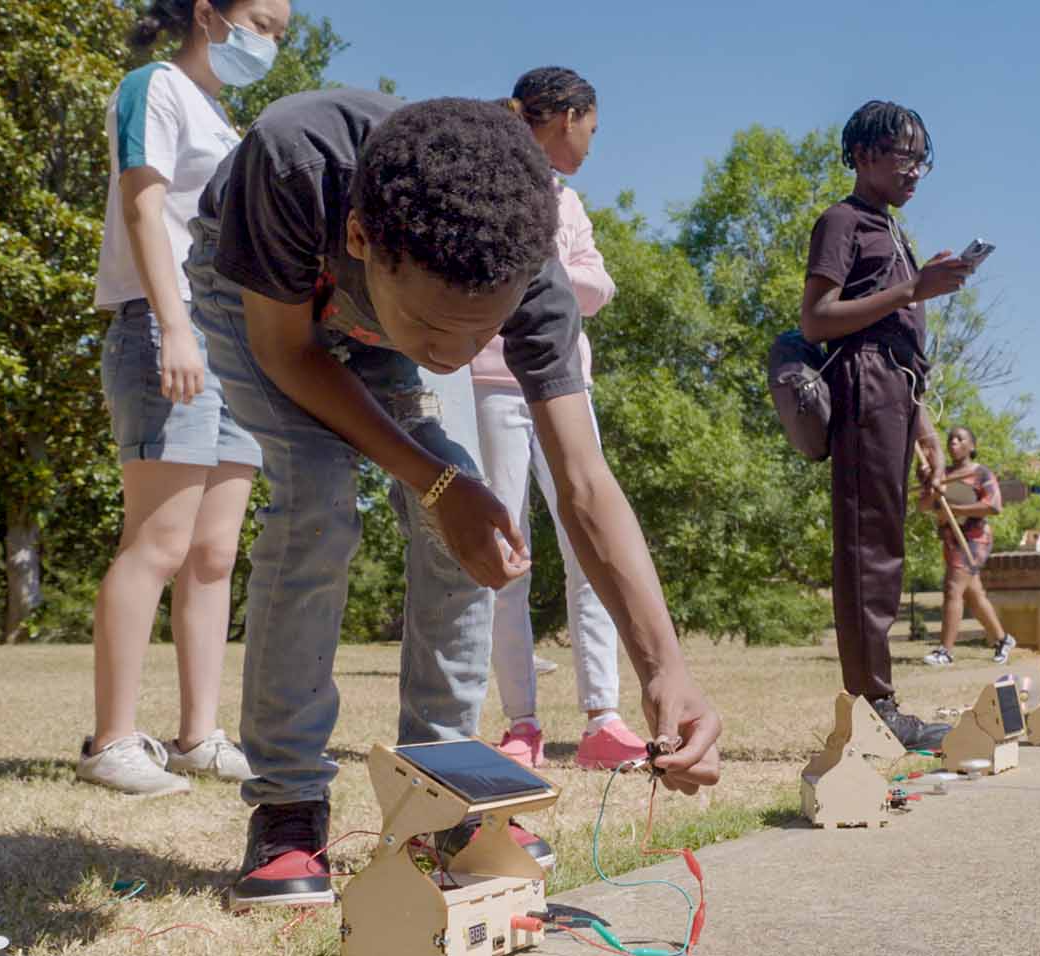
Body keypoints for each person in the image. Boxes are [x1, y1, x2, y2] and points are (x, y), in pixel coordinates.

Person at [184, 90, 721, 908]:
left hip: (374, 319)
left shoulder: (526, 264)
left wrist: (667, 669)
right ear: (362, 238)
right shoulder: (298, 157)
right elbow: (290, 353)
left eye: (482, 336)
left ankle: (440, 796)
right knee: (318, 499)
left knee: (471, 517)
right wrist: (436, 483)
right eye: (440, 333)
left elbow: (582, 479)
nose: (453, 360)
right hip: (261, 303)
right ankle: (289, 808)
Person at [78, 0, 290, 796]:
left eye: (280, 32)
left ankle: (199, 736)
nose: (268, 42)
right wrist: (174, 327)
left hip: (231, 349)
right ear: (208, 14)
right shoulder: (153, 86)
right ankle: (111, 742)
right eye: (260, 22)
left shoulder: (225, 120)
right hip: (167, 333)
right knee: (158, 544)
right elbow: (142, 201)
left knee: (212, 555)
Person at [469, 67, 644, 771]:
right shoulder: (484, 179)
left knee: (591, 550)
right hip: (489, 382)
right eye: (592, 130)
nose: (592, 146)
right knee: (505, 552)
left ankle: (604, 718)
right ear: (566, 116)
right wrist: (550, 271)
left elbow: (598, 286)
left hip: (567, 386)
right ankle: (522, 723)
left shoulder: (567, 201)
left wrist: (541, 269)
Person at [800, 100, 976, 750]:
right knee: (865, 547)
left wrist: (926, 428)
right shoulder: (842, 221)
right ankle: (873, 706)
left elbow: (901, 338)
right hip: (863, 384)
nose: (917, 171)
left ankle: (881, 702)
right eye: (907, 155)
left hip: (897, 388)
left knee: (887, 547)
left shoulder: (889, 229)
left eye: (923, 159)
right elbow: (817, 318)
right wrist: (914, 289)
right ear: (865, 153)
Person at [920, 426, 1017, 666]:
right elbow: (923, 506)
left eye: (960, 438)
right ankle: (1003, 639)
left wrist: (957, 510)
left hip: (974, 540)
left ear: (971, 446)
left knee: (953, 588)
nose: (953, 442)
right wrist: (931, 486)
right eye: (951, 438)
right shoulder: (943, 474)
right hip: (951, 539)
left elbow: (994, 506)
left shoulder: (981, 473)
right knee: (974, 595)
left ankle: (945, 651)